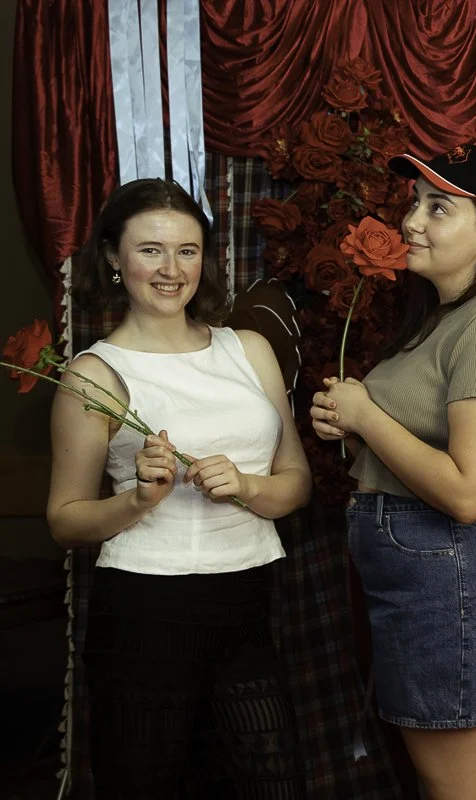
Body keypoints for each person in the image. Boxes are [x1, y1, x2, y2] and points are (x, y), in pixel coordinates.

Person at [47, 178, 312, 799]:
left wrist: (246, 484)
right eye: (151, 251)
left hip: (247, 599)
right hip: (145, 612)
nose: (172, 270)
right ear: (113, 257)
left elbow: (294, 484)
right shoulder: (95, 373)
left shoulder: (249, 349)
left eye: (187, 251)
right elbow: (64, 519)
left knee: (272, 785)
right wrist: (138, 500)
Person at [310, 144, 476, 800]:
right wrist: (351, 424)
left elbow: (469, 491)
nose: (412, 221)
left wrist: (368, 414)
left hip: (454, 577)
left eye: (438, 208)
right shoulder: (443, 317)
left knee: (459, 790)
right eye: (415, 203)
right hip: (431, 579)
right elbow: (415, 442)